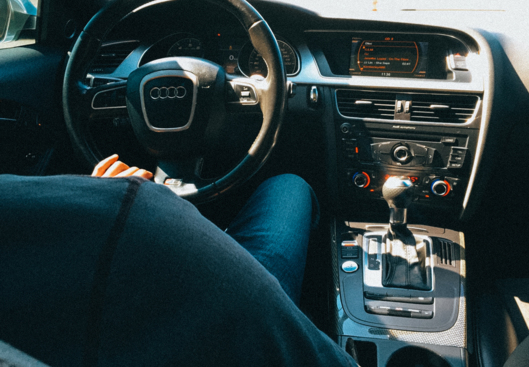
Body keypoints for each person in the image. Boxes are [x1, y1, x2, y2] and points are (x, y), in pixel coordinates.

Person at [0, 155, 357, 366]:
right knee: (290, 186)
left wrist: (90, 198)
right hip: (207, 334)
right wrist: (104, 200)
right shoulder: (125, 214)